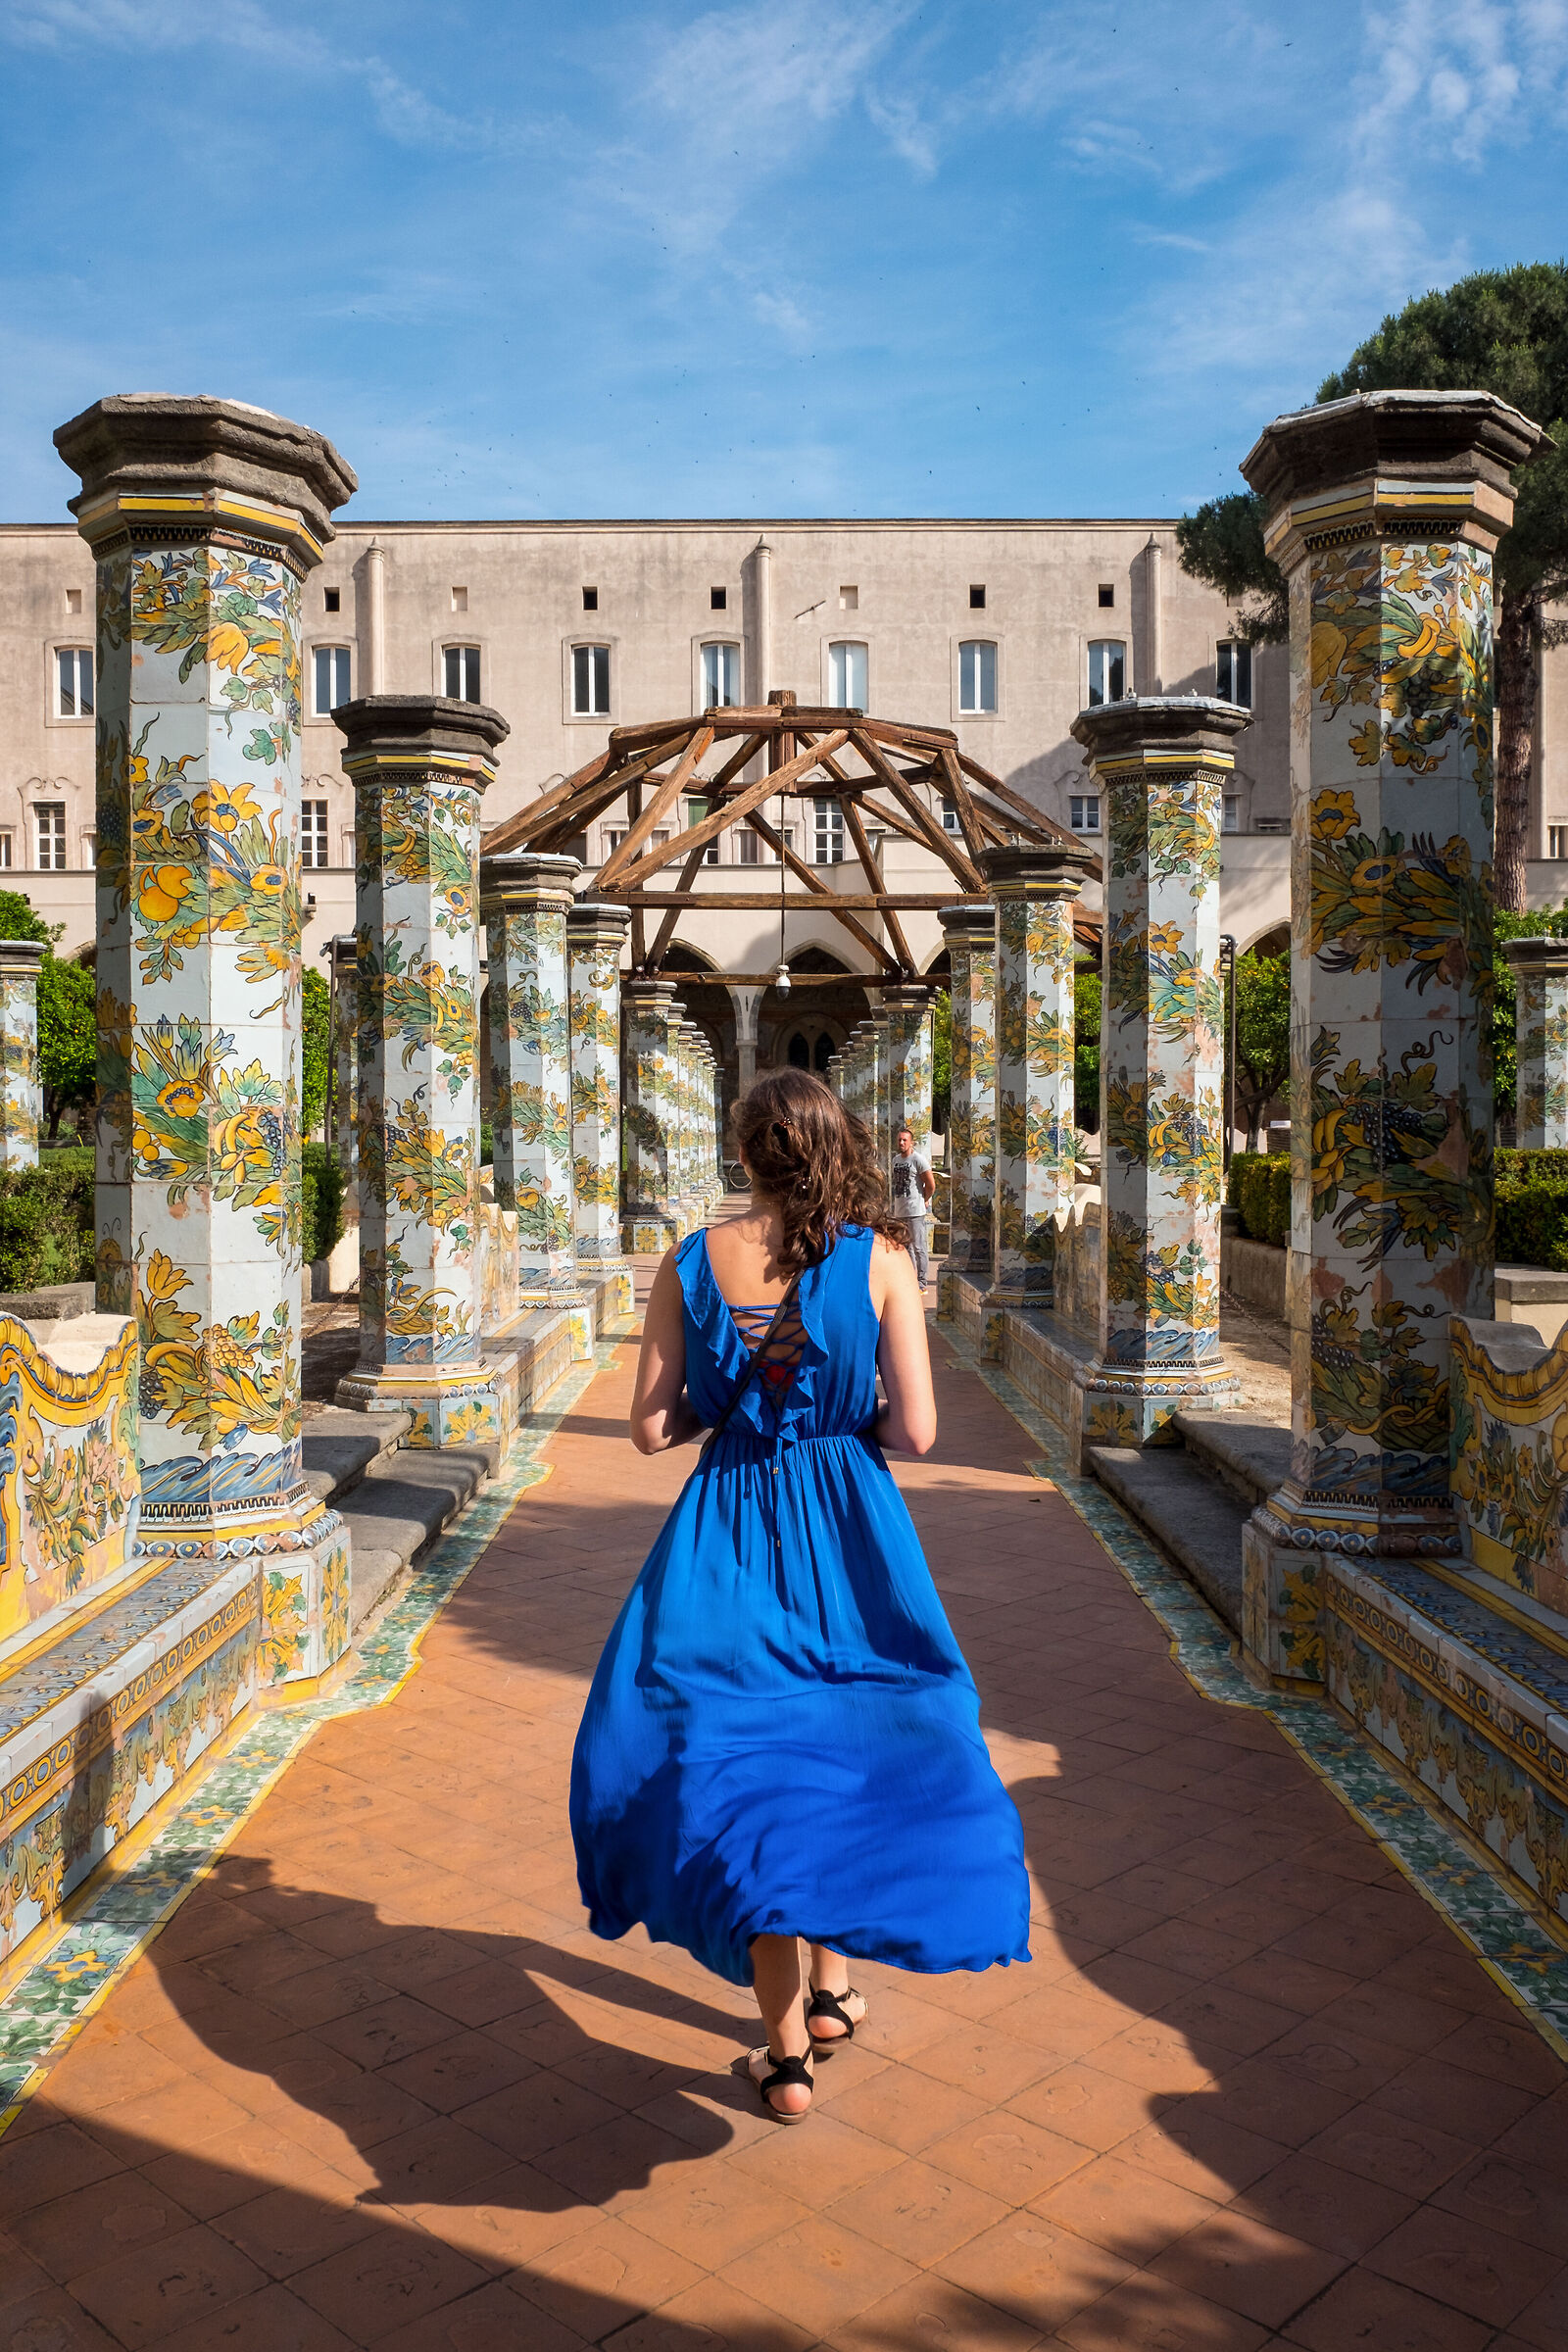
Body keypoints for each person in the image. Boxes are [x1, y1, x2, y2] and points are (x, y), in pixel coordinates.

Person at [570, 1071, 1030, 2125]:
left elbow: (650, 1429)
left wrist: (730, 1413)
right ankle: (829, 1995)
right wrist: (831, 1417)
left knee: (744, 1763)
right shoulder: (882, 1261)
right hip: (850, 1532)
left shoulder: (690, 1259)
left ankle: (784, 2057)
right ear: (839, 1146)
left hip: (724, 1530)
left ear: (744, 1156)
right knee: (847, 1745)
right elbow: (915, 1434)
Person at [889, 1122, 935, 1289]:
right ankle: (910, 1280)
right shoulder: (895, 1161)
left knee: (919, 1247)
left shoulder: (918, 1160)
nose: (901, 1143)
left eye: (904, 1140)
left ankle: (922, 1283)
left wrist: (925, 1198)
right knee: (905, 1246)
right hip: (900, 1210)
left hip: (915, 1210)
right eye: (899, 1140)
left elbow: (930, 1184)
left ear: (911, 1142)